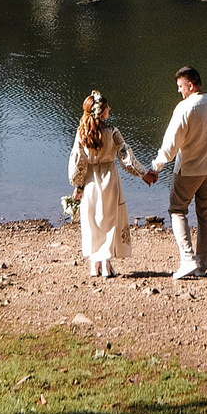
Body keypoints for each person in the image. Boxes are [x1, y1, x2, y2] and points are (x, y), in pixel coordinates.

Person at [151, 64, 207, 280]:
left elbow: (170, 145)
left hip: (189, 169)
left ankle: (187, 258)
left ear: (190, 84)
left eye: (180, 86)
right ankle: (202, 265)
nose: (179, 91)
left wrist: (156, 166)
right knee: (205, 216)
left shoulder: (185, 108)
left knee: (177, 210)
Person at [66, 90, 152, 279]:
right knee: (110, 220)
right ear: (102, 112)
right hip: (110, 178)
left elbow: (78, 163)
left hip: (90, 180)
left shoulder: (82, 133)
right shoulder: (112, 132)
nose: (110, 109)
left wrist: (78, 186)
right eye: (107, 107)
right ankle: (106, 263)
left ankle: (93, 264)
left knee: (92, 221)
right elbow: (126, 157)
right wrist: (143, 173)